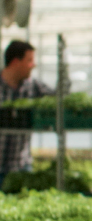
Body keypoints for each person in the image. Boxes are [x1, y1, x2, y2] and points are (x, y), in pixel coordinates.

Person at [0, 40, 56, 189]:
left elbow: (59, 99)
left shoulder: (34, 86)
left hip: (21, 166)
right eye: (29, 60)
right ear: (15, 62)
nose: (33, 65)